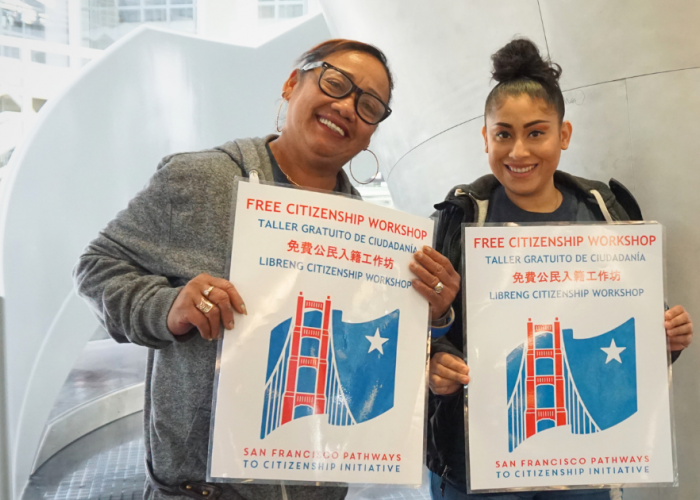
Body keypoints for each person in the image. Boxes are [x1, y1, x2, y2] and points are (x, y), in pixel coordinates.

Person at [73, 39, 459, 500]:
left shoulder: (372, 239)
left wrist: (433, 319)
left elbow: (365, 356)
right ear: (292, 83)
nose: (347, 107)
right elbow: (97, 269)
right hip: (200, 490)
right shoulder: (202, 181)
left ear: (372, 131)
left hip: (318, 487)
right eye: (335, 82)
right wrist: (167, 307)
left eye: (370, 104)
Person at [426, 38, 693, 500]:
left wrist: (665, 337)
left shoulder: (606, 212)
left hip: (584, 458)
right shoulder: (461, 217)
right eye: (504, 133)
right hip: (477, 456)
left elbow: (633, 328)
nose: (519, 150)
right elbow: (431, 322)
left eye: (536, 132)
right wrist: (437, 356)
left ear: (563, 135)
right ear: (485, 137)